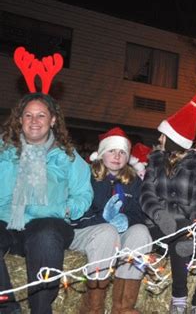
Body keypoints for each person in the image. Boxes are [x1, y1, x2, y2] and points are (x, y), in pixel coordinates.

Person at [0, 92, 93, 314]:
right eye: (28, 115)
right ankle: (7, 308)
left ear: (52, 120)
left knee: (45, 235)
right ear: (19, 120)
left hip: (48, 221)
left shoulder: (67, 157)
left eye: (41, 115)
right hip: (6, 220)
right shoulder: (3, 152)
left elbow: (83, 195)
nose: (34, 121)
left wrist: (63, 209)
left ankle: (41, 310)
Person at [140, 80, 196, 314]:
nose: (160, 140)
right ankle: (178, 299)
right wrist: (160, 215)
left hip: (187, 229)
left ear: (173, 139)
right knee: (178, 230)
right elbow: (146, 195)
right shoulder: (155, 161)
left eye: (164, 136)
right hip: (156, 226)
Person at [71, 127, 152, 314]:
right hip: (87, 232)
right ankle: (94, 307)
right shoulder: (87, 176)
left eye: (122, 152)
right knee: (107, 231)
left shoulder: (133, 181)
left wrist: (127, 219)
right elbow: (76, 215)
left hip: (117, 235)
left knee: (140, 232)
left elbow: (139, 214)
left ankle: (123, 306)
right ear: (101, 154)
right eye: (112, 151)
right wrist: (102, 219)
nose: (117, 156)